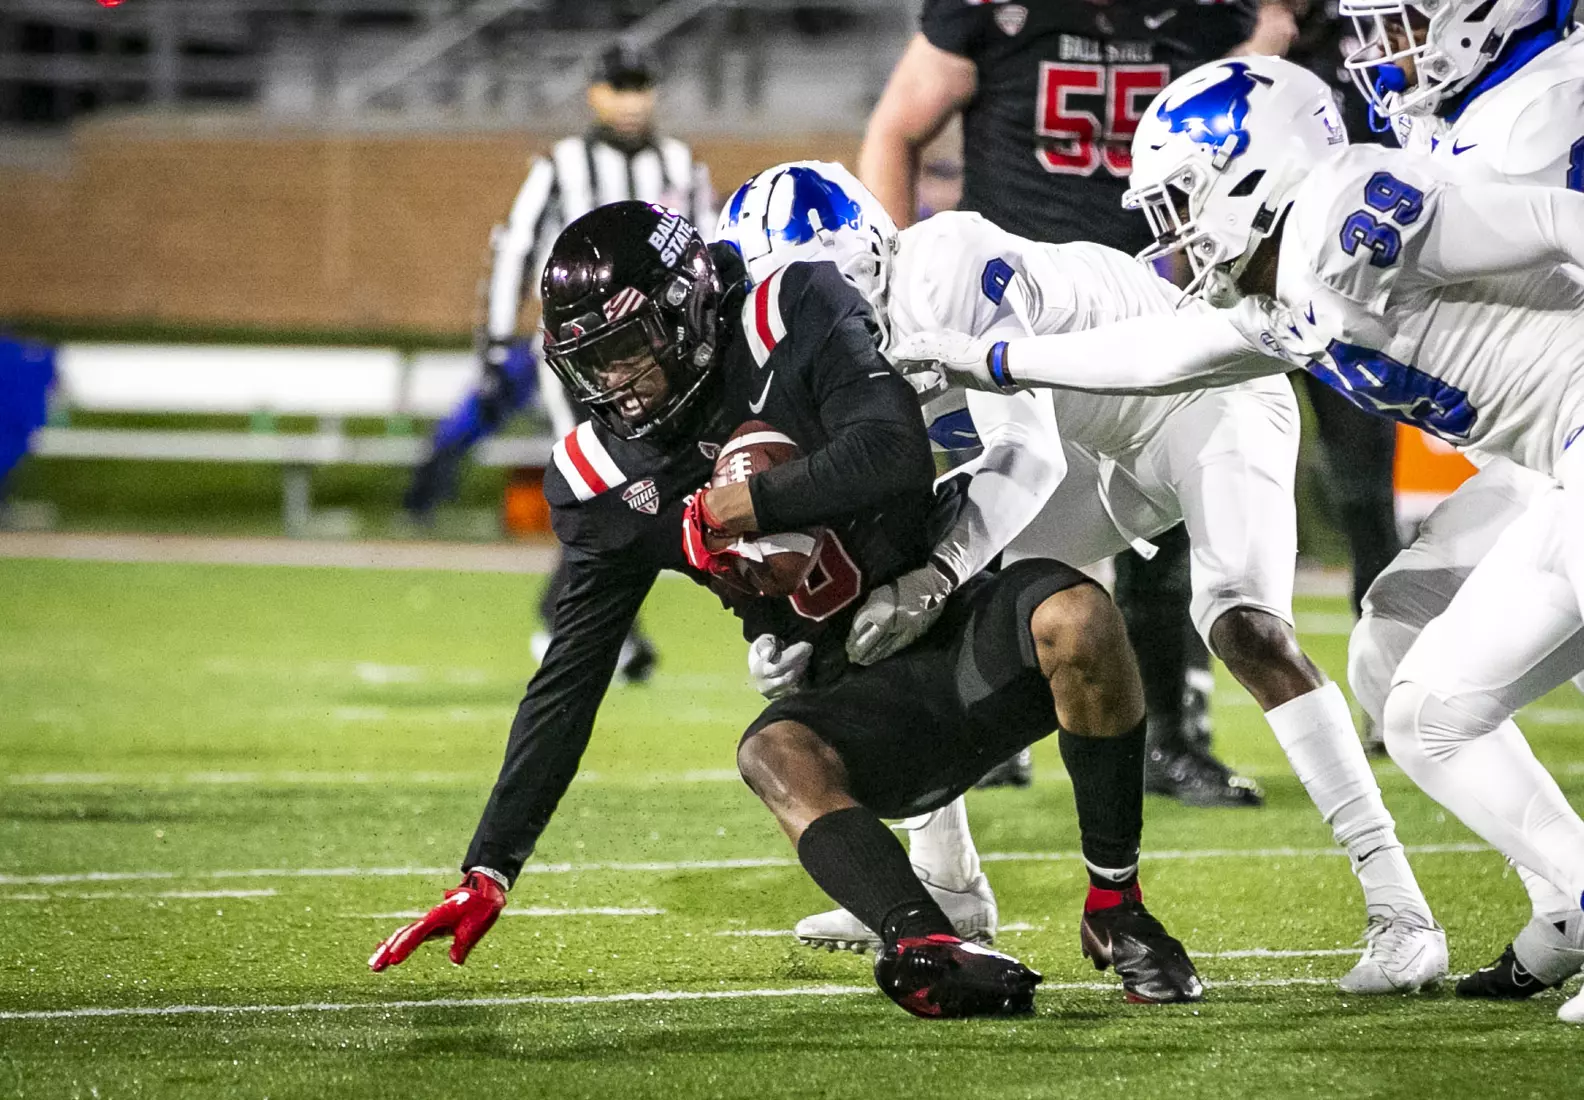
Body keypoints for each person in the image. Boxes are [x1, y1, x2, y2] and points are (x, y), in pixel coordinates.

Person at [368, 201, 1203, 1015]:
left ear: (687, 311)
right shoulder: (600, 477)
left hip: (951, 622)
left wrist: (750, 505)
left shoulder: (791, 308)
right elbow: (567, 682)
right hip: (857, 693)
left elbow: (893, 452)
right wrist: (491, 867)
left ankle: (1116, 906)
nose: (612, 384)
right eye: (592, 363)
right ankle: (920, 942)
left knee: (1082, 616)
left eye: (627, 350)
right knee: (772, 751)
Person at [892, 54, 1584, 1023]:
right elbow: (1167, 349)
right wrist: (992, 358)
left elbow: (1560, 220)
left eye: (1183, 199)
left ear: (1250, 171)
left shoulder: (1352, 208)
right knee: (1414, 687)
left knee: (1343, 658)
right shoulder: (1281, 284)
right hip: (1548, 469)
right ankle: (1568, 897)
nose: (1172, 228)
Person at [721, 160, 1442, 993]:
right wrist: (786, 639)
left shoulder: (943, 261)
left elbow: (1024, 453)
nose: (819, 318)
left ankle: (1401, 909)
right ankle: (947, 880)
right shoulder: (814, 355)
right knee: (879, 593)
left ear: (871, 253)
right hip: (1088, 448)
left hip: (1197, 399)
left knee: (1242, 623)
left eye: (826, 287)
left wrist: (941, 571)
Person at [855, 0, 1290, 803]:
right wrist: (894, 292)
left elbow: (1268, 84)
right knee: (999, 521)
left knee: (1174, 527)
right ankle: (989, 732)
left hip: (1140, 300)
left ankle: (1172, 737)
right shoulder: (994, 14)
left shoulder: (1204, 18)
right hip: (1007, 310)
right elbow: (897, 128)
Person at [1334, 0, 1584, 1002]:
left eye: (1405, 18)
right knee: (1392, 651)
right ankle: (1568, 900)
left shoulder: (1538, 105)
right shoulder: (1477, 101)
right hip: (1537, 452)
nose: (1382, 48)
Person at [405, 43, 716, 684]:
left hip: (665, 362)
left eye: (640, 85)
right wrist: (494, 342)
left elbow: (711, 250)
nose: (631, 99)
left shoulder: (682, 162)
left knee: (651, 488)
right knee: (607, 481)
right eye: (619, 86)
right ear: (594, 93)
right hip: (577, 361)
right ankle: (581, 622)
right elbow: (516, 246)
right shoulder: (561, 165)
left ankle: (595, 624)